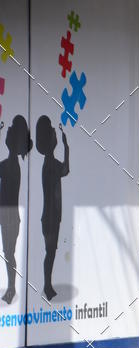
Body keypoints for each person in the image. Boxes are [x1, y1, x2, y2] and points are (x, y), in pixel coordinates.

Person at [35, 116, 69, 301]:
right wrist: (66, 147)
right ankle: (47, 286)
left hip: (51, 216)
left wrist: (66, 147)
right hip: (50, 217)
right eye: (53, 134)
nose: (55, 135)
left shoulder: (50, 163)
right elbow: (65, 170)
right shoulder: (50, 164)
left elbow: (65, 170)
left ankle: (48, 285)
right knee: (50, 252)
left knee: (51, 252)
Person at [0, 116, 33, 304]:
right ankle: (11, 288)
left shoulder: (10, 164)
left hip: (10, 217)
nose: (8, 131)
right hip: (8, 217)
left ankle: (11, 288)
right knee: (8, 253)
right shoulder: (10, 163)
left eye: (10, 129)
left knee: (9, 253)